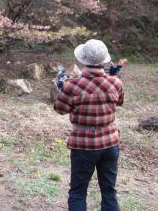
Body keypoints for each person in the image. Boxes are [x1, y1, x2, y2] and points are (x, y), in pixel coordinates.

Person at [53, 39, 127, 211]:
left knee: (78, 191)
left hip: (83, 145)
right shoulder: (115, 82)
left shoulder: (71, 85)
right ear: (104, 61)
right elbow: (120, 101)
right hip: (109, 143)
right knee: (109, 191)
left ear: (83, 60)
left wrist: (61, 88)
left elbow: (60, 109)